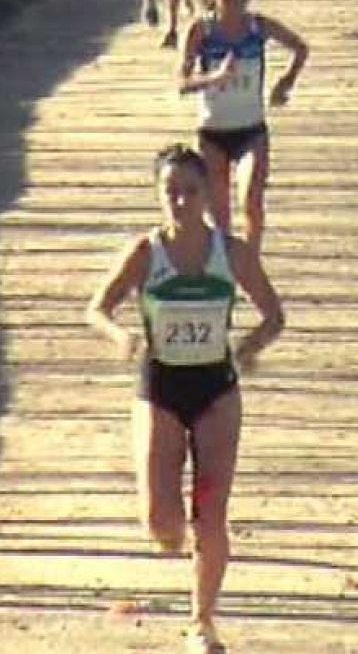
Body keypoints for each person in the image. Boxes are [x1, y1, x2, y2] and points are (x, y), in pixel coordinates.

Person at [86, 144, 285, 654]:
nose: (179, 201)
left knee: (211, 514)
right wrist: (121, 338)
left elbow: (273, 315)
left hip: (216, 388)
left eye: (189, 191)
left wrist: (249, 346)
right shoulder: (145, 253)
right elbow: (97, 309)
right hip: (160, 386)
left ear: (206, 194)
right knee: (161, 522)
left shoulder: (232, 252)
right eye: (170, 191)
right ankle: (174, 538)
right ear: (158, 195)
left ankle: (202, 622)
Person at [179, 0, 309, 253]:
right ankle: (225, 264)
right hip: (212, 132)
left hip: (251, 129)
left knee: (251, 199)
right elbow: (181, 84)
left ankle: (250, 259)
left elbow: (300, 48)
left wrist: (285, 83)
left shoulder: (258, 27)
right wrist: (214, 78)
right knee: (220, 212)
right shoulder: (201, 31)